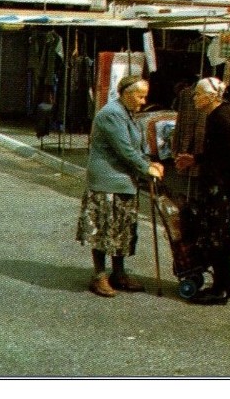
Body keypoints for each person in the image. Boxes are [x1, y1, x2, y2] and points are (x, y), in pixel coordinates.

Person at [76, 75, 164, 298]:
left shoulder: (127, 113)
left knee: (121, 229)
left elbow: (135, 146)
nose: (143, 101)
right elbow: (124, 149)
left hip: (124, 181)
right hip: (108, 181)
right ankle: (100, 276)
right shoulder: (112, 113)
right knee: (104, 229)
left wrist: (148, 162)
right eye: (140, 96)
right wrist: (146, 169)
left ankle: (119, 273)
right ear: (126, 93)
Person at [175, 77, 230, 305]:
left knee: (217, 237)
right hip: (217, 184)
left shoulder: (224, 118)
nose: (195, 98)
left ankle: (220, 290)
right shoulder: (216, 115)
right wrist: (194, 159)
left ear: (211, 96)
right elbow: (218, 153)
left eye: (198, 94)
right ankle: (226, 283)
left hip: (222, 187)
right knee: (217, 236)